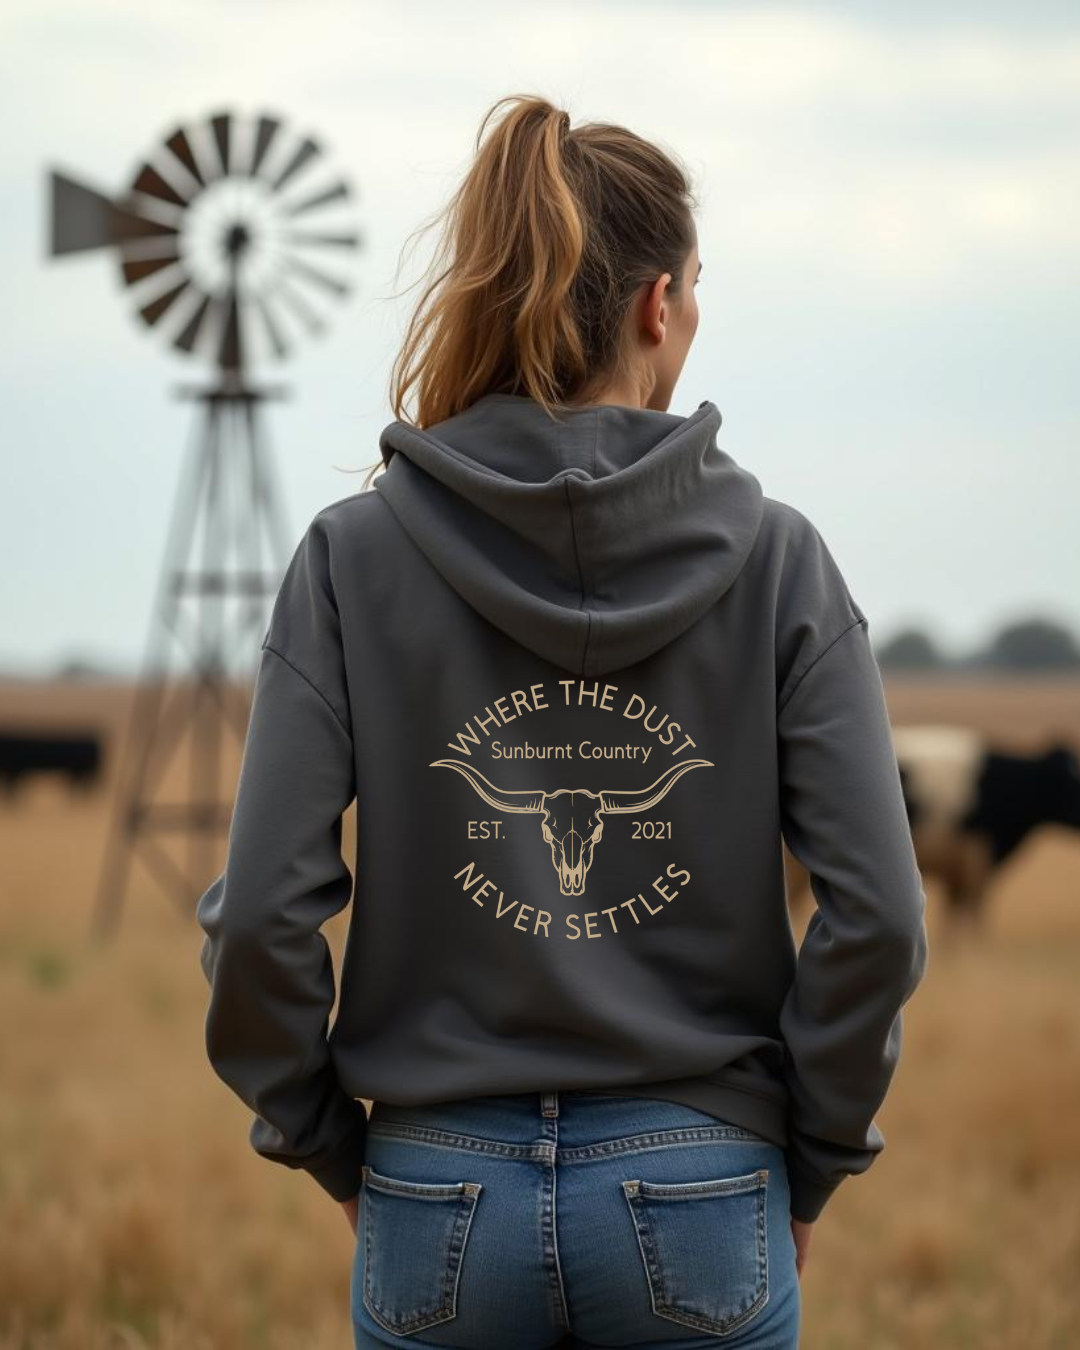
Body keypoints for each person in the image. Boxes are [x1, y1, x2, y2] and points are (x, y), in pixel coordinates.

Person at [197, 93, 929, 1349]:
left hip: (436, 1185)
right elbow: (880, 917)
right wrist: (806, 1159)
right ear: (659, 305)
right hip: (707, 1182)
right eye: (696, 289)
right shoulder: (779, 562)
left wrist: (335, 1148)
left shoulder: (351, 559)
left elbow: (261, 916)